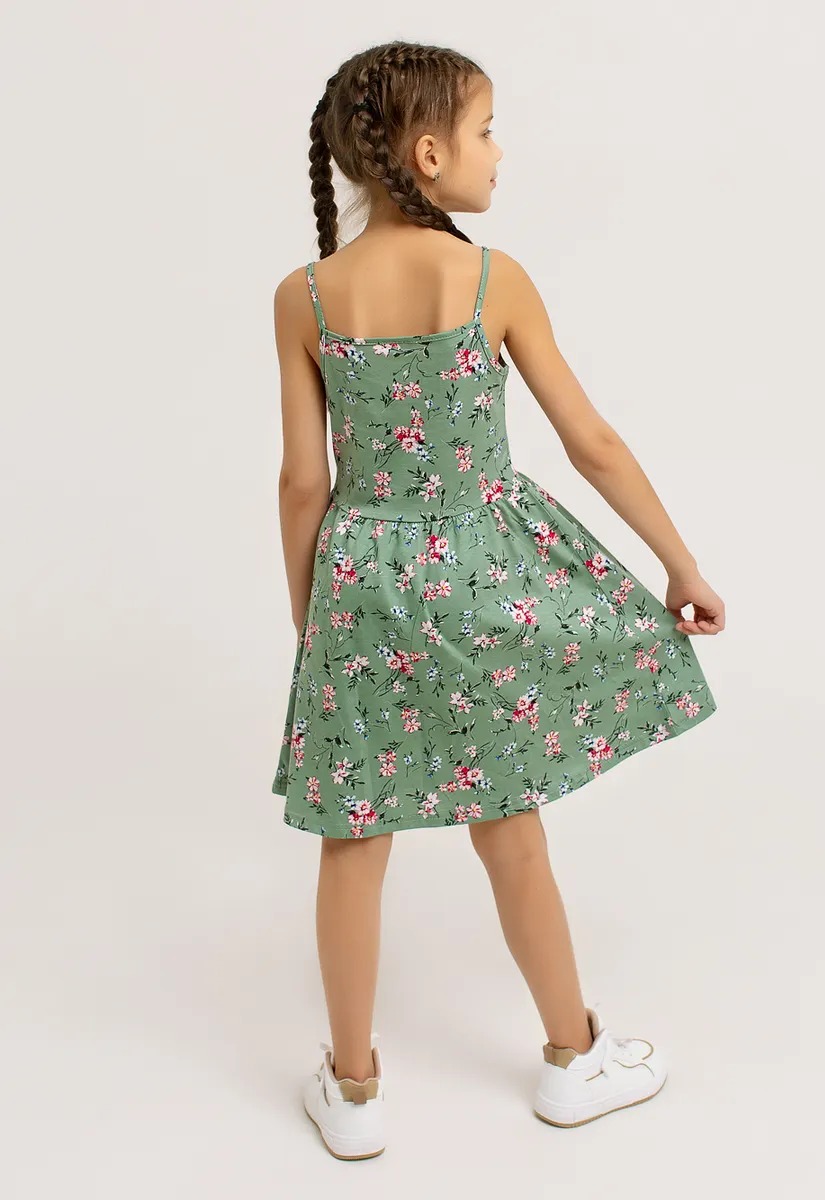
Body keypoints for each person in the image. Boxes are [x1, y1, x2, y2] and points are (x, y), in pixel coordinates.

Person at [270, 40, 725, 1160]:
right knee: (509, 822)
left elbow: (302, 485)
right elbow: (592, 441)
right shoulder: (491, 279)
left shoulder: (306, 297)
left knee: (352, 837)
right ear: (428, 154)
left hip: (362, 585)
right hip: (484, 583)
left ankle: (354, 1092)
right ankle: (574, 1058)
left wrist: (311, 619)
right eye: (484, 131)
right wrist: (678, 562)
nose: (498, 151)